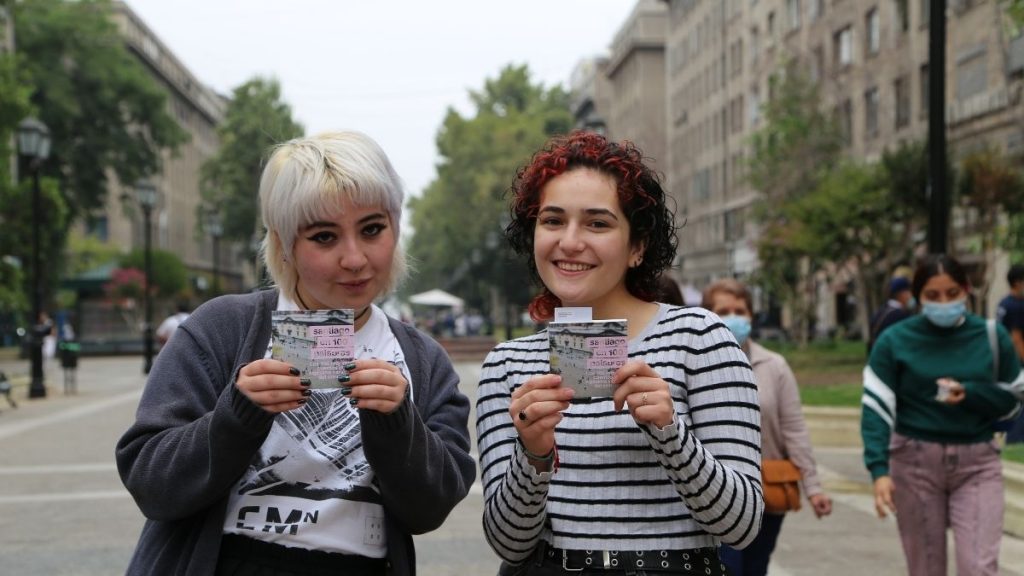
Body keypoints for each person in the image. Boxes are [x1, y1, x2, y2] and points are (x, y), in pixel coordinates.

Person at [116, 131, 476, 575]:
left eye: (372, 229)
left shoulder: (423, 361)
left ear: (396, 228)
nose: (354, 258)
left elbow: (431, 509)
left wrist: (399, 423)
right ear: (284, 245)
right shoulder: (222, 329)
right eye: (324, 237)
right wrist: (235, 416)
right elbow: (150, 480)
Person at [476, 131, 763, 575]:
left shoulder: (701, 339)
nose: (570, 242)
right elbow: (509, 544)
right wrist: (533, 453)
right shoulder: (507, 365)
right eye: (552, 221)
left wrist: (670, 432)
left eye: (597, 223)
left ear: (637, 247)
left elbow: (741, 526)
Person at [861, 254, 1024, 576]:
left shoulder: (991, 336)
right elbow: (876, 406)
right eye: (932, 296)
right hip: (914, 465)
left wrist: (972, 394)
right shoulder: (895, 341)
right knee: (925, 568)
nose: (944, 303)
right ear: (918, 298)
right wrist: (879, 469)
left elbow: (1016, 398)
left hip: (977, 463)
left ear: (966, 290)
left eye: (952, 293)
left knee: (979, 567)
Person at [702, 279, 832, 576]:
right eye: (724, 310)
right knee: (726, 568)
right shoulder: (695, 363)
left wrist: (813, 488)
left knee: (755, 568)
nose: (733, 317)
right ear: (707, 314)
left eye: (740, 310)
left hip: (767, 491)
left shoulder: (774, 366)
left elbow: (794, 429)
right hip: (714, 493)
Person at [999, 264, 1024, 443]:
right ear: (1018, 282)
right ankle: (1016, 438)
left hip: (1004, 361)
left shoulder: (1004, 302)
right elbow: (1016, 338)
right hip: (1017, 362)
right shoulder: (1017, 306)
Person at [866, 276, 914, 354]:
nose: (911, 296)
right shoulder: (900, 316)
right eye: (909, 292)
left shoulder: (880, 311)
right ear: (901, 294)